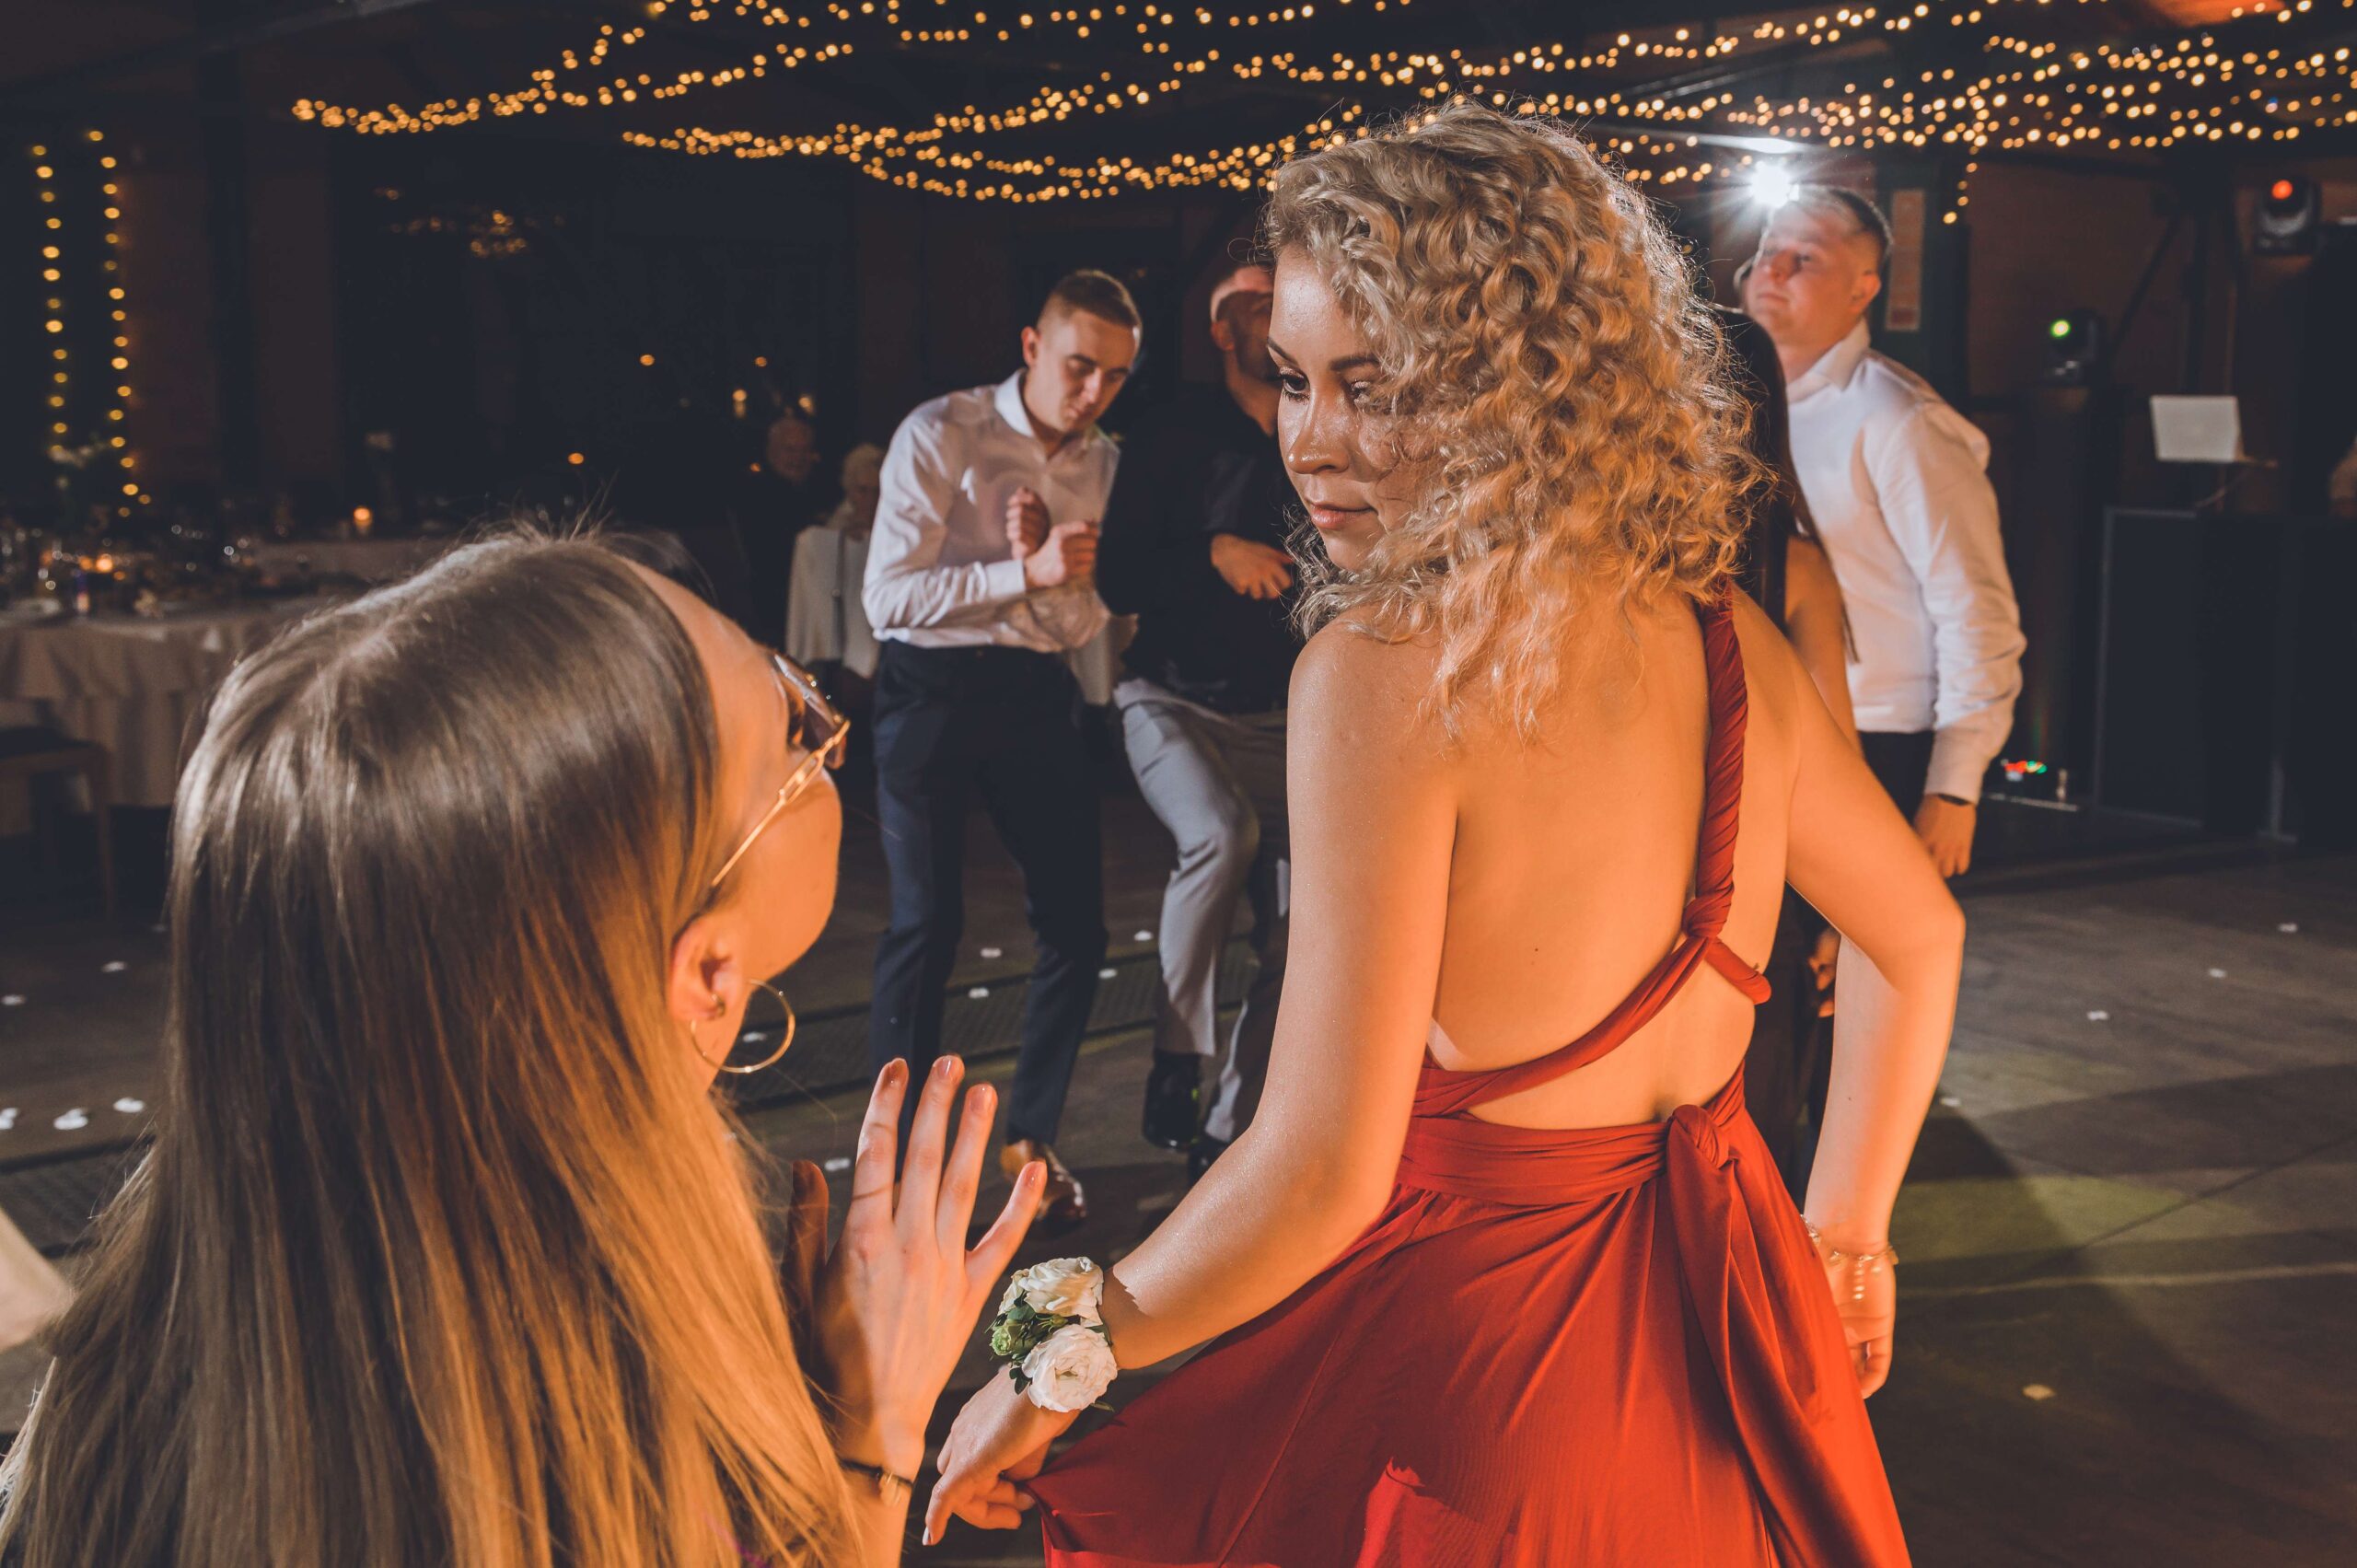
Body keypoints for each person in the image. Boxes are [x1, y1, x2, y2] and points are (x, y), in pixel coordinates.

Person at [930, 103, 1963, 1564]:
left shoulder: (1386, 672)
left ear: (1524, 382)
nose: (1312, 442)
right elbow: (1917, 936)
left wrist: (1047, 1356)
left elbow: (1315, 1176)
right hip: (1730, 1357)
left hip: (1491, 1405)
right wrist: (1846, 1229)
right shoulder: (1729, 633)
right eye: (1294, 379)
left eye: (1377, 386)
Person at [0, 532, 1044, 1567]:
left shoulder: (146, 1351)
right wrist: (873, 1434)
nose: (823, 729)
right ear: (709, 971)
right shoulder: (605, 1437)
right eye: (796, 728)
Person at [862, 270, 1142, 1230]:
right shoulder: (942, 432)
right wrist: (1019, 568)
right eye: (1079, 366)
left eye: (1115, 376)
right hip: (928, 689)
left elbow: (1081, 622)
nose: (1094, 393)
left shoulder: (1104, 463)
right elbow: (886, 599)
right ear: (1031, 346)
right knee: (925, 925)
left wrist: (1051, 579)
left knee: (1078, 927)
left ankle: (1031, 1139)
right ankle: (892, 1166)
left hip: (1032, 689)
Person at [1746, 185, 2026, 877]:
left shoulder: (1899, 420)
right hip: (1768, 723)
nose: (1774, 270)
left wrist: (1953, 786)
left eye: (1805, 258)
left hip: (1882, 736)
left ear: (1863, 288)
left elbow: (1974, 605)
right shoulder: (1731, 405)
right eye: (1769, 249)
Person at [1097, 259, 1299, 1181]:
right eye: (1258, 301)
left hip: (1287, 721)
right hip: (1172, 701)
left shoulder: (1319, 425)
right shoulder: (1170, 432)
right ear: (1223, 332)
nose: (1279, 307)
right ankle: (1178, 1055)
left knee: (1301, 933)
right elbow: (1117, 579)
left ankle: (1227, 1131)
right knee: (1221, 832)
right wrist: (1212, 550)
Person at [1723, 298, 1860, 1191]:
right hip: (1734, 883)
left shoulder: (1786, 561)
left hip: (1733, 884)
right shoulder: (1788, 561)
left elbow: (1834, 756)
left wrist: (1843, 915)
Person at [736, 409, 826, 646]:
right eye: (790, 450)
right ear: (771, 451)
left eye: (804, 450)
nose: (798, 458)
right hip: (774, 607)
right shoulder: (756, 494)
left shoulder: (819, 491)